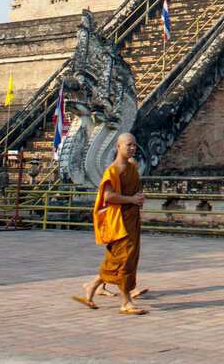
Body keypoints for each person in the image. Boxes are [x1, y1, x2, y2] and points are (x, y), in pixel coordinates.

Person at [73, 133, 148, 314]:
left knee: (123, 259)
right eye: (128, 145)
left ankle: (92, 286)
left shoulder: (132, 167)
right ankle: (125, 301)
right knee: (123, 259)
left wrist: (137, 198)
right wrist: (131, 199)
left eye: (134, 145)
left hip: (131, 218)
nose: (132, 148)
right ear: (118, 146)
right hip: (119, 220)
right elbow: (108, 196)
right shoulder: (112, 171)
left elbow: (132, 189)